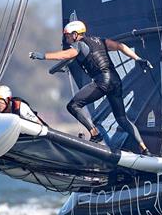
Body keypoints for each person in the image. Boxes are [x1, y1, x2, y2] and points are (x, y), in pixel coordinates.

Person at [29, 20, 153, 155]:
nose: (67, 38)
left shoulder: (78, 45)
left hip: (103, 82)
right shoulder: (100, 40)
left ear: (75, 34)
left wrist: (43, 56)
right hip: (116, 81)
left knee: (73, 106)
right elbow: (120, 46)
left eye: (68, 35)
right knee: (122, 119)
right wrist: (138, 59)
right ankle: (144, 148)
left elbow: (67, 55)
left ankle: (95, 134)